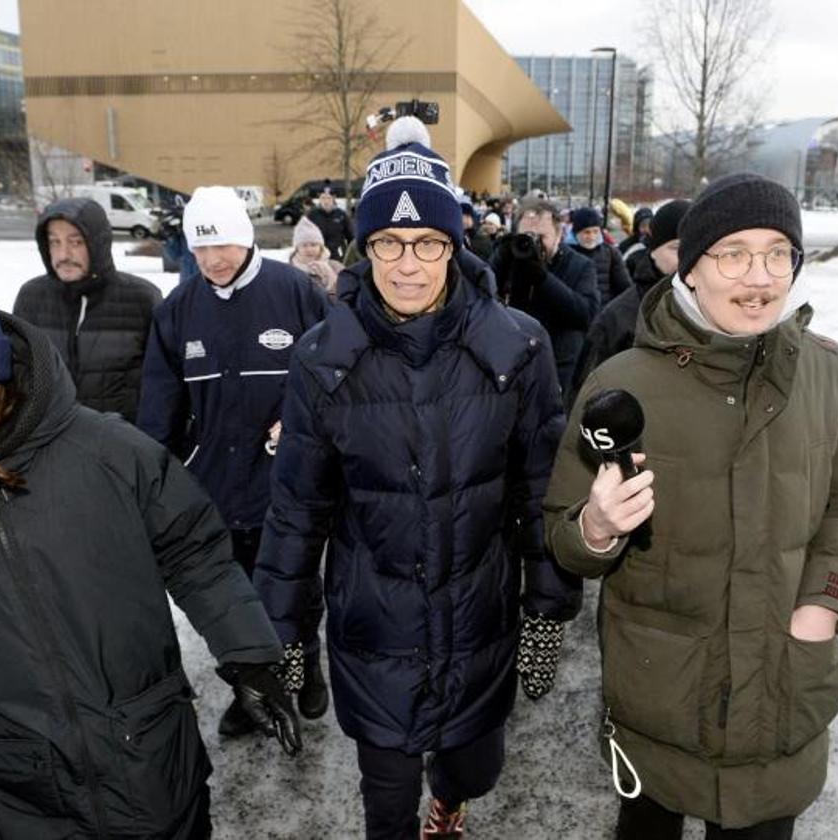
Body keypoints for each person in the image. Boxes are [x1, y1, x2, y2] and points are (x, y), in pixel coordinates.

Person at [0, 209, 301, 840]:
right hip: (2, 808)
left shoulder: (108, 453)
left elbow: (195, 551)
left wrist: (252, 656)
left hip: (151, 779)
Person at [253, 116, 582, 839]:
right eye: (388, 243)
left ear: (454, 247)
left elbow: (540, 490)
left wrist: (547, 610)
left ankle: (455, 797)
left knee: (474, 767)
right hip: (374, 624)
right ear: (365, 248)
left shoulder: (517, 347)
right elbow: (297, 509)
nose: (408, 263)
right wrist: (283, 631)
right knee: (386, 797)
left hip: (479, 617)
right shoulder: (321, 358)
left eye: (428, 243)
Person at [543, 173, 838, 839]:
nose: (757, 276)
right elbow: (563, 536)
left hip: (782, 692)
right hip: (660, 698)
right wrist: (596, 526)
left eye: (776, 253)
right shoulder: (620, 386)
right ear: (690, 267)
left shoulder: (830, 374)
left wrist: (827, 602)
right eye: (732, 253)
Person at [138, 186, 330, 736]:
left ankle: (305, 667)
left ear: (244, 239)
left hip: (284, 483)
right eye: (199, 250)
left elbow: (335, 376)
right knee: (230, 601)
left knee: (293, 586)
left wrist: (298, 422)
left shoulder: (295, 293)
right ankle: (250, 689)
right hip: (214, 489)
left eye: (221, 245)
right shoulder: (177, 310)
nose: (212, 260)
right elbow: (160, 408)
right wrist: (156, 481)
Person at [12, 197, 162, 424]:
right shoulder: (32, 298)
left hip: (121, 446)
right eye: (54, 242)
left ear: (98, 243)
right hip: (49, 445)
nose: (63, 255)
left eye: (76, 242)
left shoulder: (141, 299)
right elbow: (17, 376)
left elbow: (161, 385)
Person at [491, 196, 599, 400]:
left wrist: (543, 278)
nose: (534, 243)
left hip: (558, 367)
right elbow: (480, 296)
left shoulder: (581, 266)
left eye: (542, 236)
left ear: (559, 235)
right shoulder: (513, 260)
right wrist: (500, 258)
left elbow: (586, 314)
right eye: (527, 236)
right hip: (513, 364)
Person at [576, 198, 691, 386]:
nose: (688, 259)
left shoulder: (723, 310)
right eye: (677, 248)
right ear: (653, 250)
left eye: (696, 249)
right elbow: (587, 391)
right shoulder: (619, 317)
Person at [569, 206, 632, 311]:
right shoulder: (567, 253)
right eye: (587, 232)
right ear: (576, 233)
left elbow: (625, 287)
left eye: (595, 231)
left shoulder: (610, 253)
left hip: (606, 314)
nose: (592, 237)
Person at [289, 215, 344, 299]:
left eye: (313, 245)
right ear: (297, 248)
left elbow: (348, 293)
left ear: (321, 247)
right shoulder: (289, 271)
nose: (309, 249)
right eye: (304, 245)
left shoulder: (336, 267)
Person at [307, 188, 354, 261]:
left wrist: (349, 254)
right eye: (323, 198)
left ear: (333, 198)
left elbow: (350, 236)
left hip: (337, 255)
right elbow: (307, 236)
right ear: (319, 199)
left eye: (328, 198)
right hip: (318, 256)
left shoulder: (341, 215)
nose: (326, 201)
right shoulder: (312, 215)